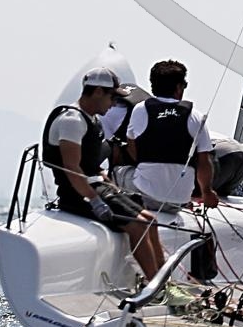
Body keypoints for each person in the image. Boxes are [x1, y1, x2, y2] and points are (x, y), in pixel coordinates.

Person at [41, 67, 164, 281]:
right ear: (98, 92)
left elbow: (92, 166)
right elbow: (72, 168)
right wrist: (95, 201)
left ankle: (165, 282)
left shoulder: (93, 120)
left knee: (150, 221)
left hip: (96, 187)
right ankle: (156, 286)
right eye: (112, 97)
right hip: (76, 194)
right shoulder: (71, 121)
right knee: (138, 226)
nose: (113, 104)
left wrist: (113, 187)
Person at [126, 59, 218, 215]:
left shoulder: (140, 109)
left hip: (146, 196)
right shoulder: (196, 116)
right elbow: (204, 161)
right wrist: (207, 192)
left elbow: (131, 148)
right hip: (180, 199)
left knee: (117, 170)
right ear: (178, 87)